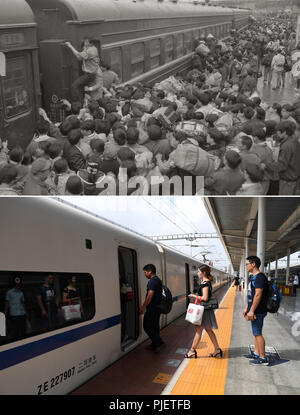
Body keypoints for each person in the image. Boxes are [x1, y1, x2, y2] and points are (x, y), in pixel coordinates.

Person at [186, 265, 222, 359]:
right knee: (208, 330)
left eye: (198, 272)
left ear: (204, 273)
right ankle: (217, 349)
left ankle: (192, 351)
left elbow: (205, 298)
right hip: (205, 310)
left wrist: (194, 296)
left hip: (204, 310)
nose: (197, 273)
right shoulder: (206, 282)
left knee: (198, 331)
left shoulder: (205, 283)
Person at [243, 256, 269, 366]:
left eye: (247, 264)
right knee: (255, 332)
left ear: (253, 264)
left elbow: (258, 295)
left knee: (258, 333)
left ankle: (263, 358)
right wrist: (246, 308)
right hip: (255, 309)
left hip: (258, 310)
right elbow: (252, 295)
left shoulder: (259, 278)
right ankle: (256, 353)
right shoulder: (254, 277)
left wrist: (252, 310)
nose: (246, 266)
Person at [65, 38, 100, 103]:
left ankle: (76, 103)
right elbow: (80, 58)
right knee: (80, 88)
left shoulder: (91, 51)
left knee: (74, 86)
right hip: (88, 74)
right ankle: (81, 101)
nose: (84, 42)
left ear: (91, 43)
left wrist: (70, 46)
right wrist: (84, 49)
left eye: (86, 41)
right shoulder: (92, 49)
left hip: (89, 75)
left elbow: (79, 56)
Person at [140, 264, 164, 353]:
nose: (145, 274)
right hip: (157, 307)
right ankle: (154, 344)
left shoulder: (152, 281)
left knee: (147, 326)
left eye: (145, 272)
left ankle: (159, 343)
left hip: (152, 308)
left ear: (150, 272)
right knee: (154, 327)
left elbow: (150, 294)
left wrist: (143, 306)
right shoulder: (158, 280)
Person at [4, 276, 27, 341]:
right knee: (15, 329)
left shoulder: (21, 292)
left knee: (23, 329)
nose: (18, 285)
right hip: (14, 314)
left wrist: (26, 312)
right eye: (17, 284)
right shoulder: (9, 292)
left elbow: (22, 303)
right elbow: (7, 303)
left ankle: (23, 340)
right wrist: (5, 313)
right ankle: (15, 341)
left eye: (19, 284)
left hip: (22, 313)